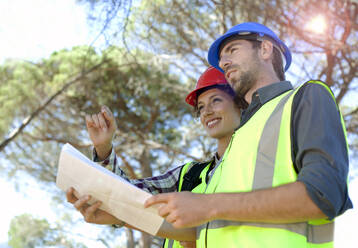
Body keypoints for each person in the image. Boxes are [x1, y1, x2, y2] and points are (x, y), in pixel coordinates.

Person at [145, 22, 353, 248]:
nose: (223, 63)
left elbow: (325, 193)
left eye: (232, 50)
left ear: (265, 49)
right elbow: (209, 228)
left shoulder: (305, 98)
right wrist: (120, 214)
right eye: (222, 58)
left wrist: (207, 205)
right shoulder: (237, 141)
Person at [66, 67, 243, 248]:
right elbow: (127, 194)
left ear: (240, 103)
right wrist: (104, 149)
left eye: (216, 100)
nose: (206, 112)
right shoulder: (189, 175)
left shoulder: (256, 164)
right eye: (201, 107)